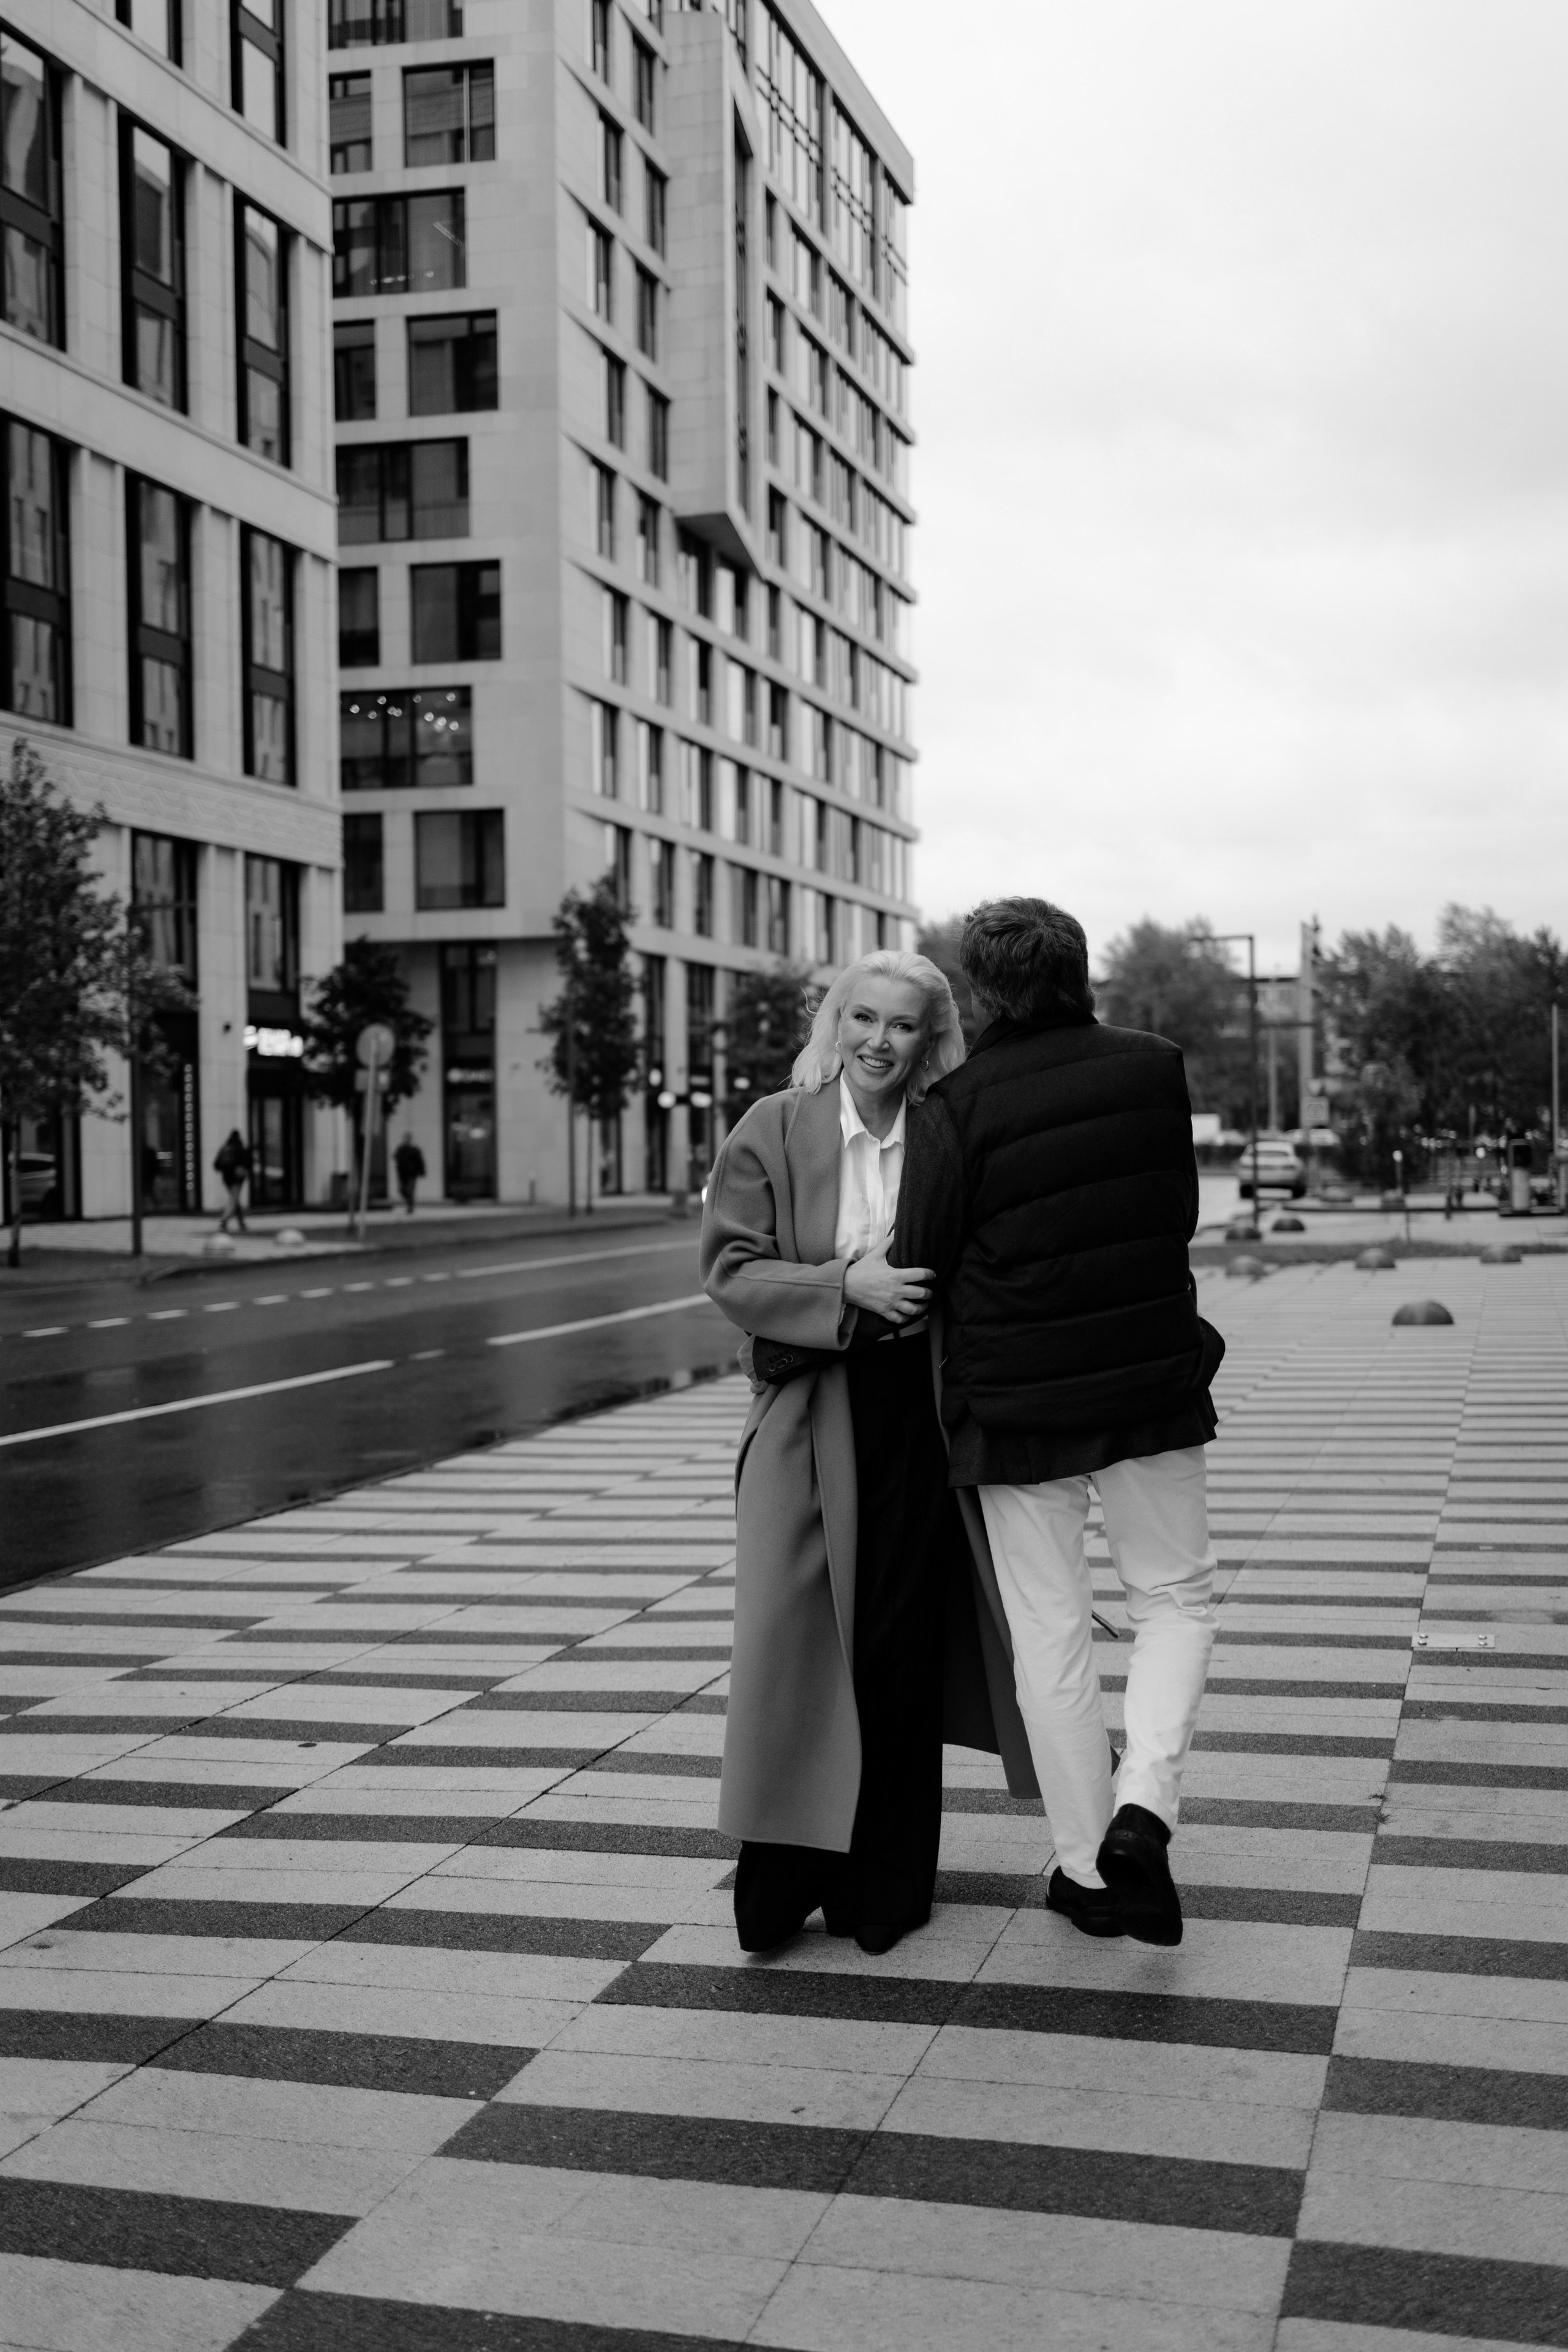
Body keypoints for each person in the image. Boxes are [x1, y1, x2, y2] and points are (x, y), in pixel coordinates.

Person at [895, 898, 1224, 1947]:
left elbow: (925, 1256)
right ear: (1080, 972)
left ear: (981, 991)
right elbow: (1175, 1211)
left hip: (1016, 1403)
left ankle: (1088, 1869)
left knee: (1048, 1637)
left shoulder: (953, 1104)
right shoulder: (1153, 1066)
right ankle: (1146, 1808)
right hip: (1147, 1383)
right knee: (1175, 1599)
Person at [701, 949, 1028, 1957]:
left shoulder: (947, 1134)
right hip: (808, 1415)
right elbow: (729, 1267)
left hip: (917, 1421)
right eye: (864, 1019)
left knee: (897, 1651)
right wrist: (848, 1289)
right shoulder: (776, 1124)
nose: (880, 1041)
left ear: (933, 1040)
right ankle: (784, 1877)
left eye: (903, 1025)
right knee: (793, 1649)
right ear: (836, 1023)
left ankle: (883, 1887)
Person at [213, 1129, 252, 1234]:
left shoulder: (225, 1148)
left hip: (227, 1179)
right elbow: (248, 1163)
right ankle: (224, 1221)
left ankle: (241, 1223)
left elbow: (216, 1165)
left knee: (235, 1199)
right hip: (237, 1179)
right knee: (233, 1200)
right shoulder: (240, 1148)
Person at [394, 1133, 426, 1215]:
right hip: (402, 1174)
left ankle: (410, 1207)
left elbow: (420, 1161)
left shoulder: (414, 1150)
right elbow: (396, 1157)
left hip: (412, 1174)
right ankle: (409, 1202)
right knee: (402, 1190)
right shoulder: (401, 1149)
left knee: (410, 1191)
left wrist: (421, 1171)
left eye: (408, 1139)